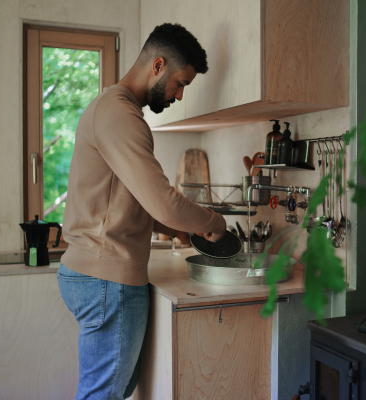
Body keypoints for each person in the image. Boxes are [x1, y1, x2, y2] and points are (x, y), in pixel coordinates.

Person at [57, 23, 226, 400]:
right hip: (107, 278)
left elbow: (129, 198)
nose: (180, 96)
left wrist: (178, 229)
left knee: (113, 390)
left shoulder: (112, 109)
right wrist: (215, 222)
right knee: (102, 395)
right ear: (158, 65)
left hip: (96, 272)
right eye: (180, 83)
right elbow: (162, 199)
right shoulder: (120, 115)